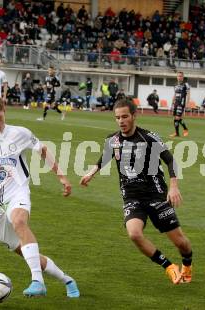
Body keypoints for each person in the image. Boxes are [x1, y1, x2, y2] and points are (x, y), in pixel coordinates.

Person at [0, 95, 80, 298]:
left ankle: (37, 281)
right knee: (26, 253)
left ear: (4, 112)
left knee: (19, 220)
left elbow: (43, 150)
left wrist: (61, 176)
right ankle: (67, 280)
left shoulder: (20, 133)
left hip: (16, 190)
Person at [79, 98, 193, 285]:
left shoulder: (149, 137)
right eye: (117, 118)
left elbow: (170, 160)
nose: (121, 121)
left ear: (134, 116)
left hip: (156, 196)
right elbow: (106, 156)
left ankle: (187, 264)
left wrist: (173, 186)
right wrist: (92, 172)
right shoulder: (112, 140)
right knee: (134, 233)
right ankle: (169, 267)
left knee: (181, 243)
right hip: (132, 197)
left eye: (125, 116)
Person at [170, 72, 190, 137]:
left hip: (181, 103)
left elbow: (188, 94)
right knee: (176, 118)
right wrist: (172, 103)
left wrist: (187, 103)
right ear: (176, 77)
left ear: (183, 77)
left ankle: (185, 129)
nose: (179, 77)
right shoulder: (175, 85)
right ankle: (177, 133)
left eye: (180, 76)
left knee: (177, 118)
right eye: (178, 76)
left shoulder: (186, 84)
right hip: (176, 103)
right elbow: (175, 94)